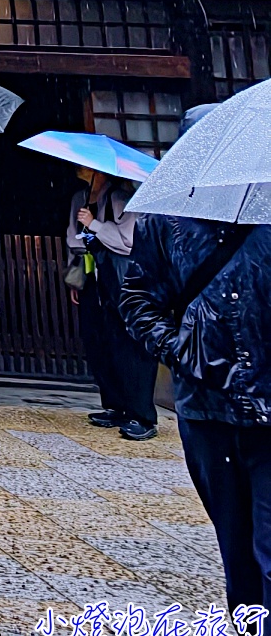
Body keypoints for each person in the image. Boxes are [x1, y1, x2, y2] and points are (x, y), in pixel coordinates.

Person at [122, 208, 267, 611]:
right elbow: (138, 297)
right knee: (237, 551)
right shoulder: (168, 220)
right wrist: (178, 348)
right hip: (205, 411)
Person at [67, 165, 156, 440]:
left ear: (101, 171)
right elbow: (73, 238)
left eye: (86, 165)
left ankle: (142, 415)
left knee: (128, 344)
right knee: (99, 342)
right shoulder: (78, 199)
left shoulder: (121, 198)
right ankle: (115, 405)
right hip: (94, 278)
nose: (79, 167)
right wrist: (76, 274)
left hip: (124, 281)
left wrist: (94, 224)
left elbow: (127, 241)